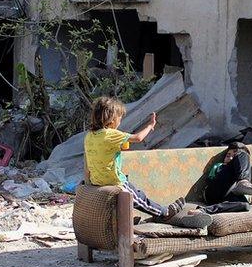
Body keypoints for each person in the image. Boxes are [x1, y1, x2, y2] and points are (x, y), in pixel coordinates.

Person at [83, 96, 211, 229]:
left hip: (97, 180)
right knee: (140, 199)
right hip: (114, 181)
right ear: (111, 119)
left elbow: (90, 159)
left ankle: (137, 218)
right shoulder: (110, 134)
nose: (120, 121)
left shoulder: (89, 136)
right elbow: (138, 138)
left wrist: (88, 182)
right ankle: (164, 212)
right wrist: (150, 126)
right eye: (120, 118)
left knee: (135, 194)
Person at [200, 141, 252, 214]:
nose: (231, 158)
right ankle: (243, 182)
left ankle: (202, 211)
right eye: (228, 156)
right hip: (212, 193)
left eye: (234, 156)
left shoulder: (243, 172)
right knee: (242, 154)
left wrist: (248, 195)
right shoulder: (220, 166)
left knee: (244, 205)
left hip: (226, 196)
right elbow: (212, 180)